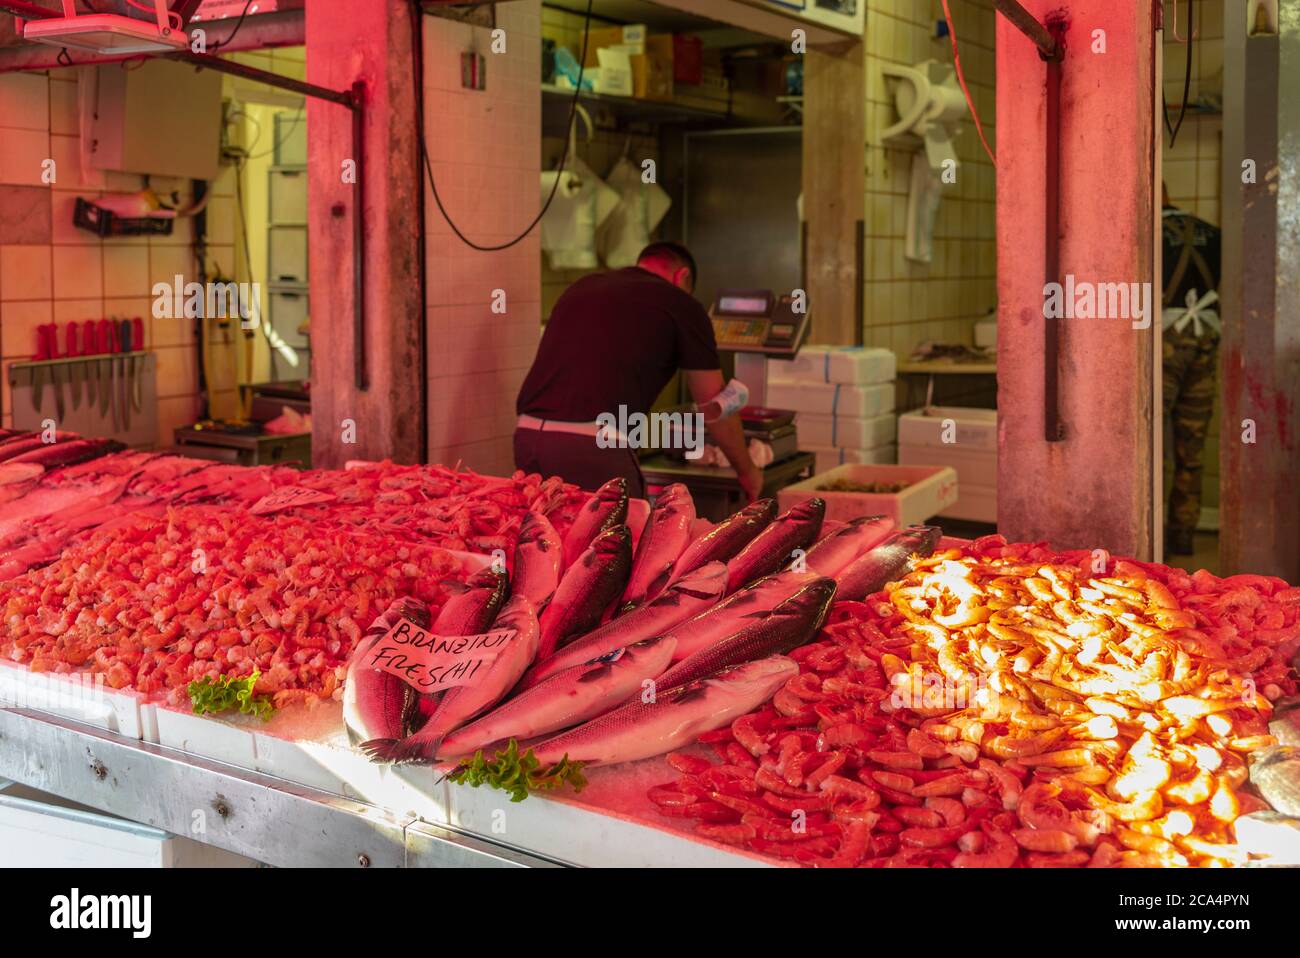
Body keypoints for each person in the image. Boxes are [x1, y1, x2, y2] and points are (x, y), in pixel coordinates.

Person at [515, 241, 763, 501]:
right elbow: (715, 406)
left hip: (528, 435)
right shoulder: (681, 303)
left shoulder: (582, 287)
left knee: (549, 534)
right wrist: (747, 471)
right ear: (683, 277)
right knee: (623, 538)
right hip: (594, 443)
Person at [1161, 184, 1222, 556]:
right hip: (1205, 344)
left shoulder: (1145, 232)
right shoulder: (1213, 233)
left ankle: (1152, 538)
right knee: (1191, 446)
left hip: (1164, 345)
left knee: (1151, 446)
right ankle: (1182, 534)